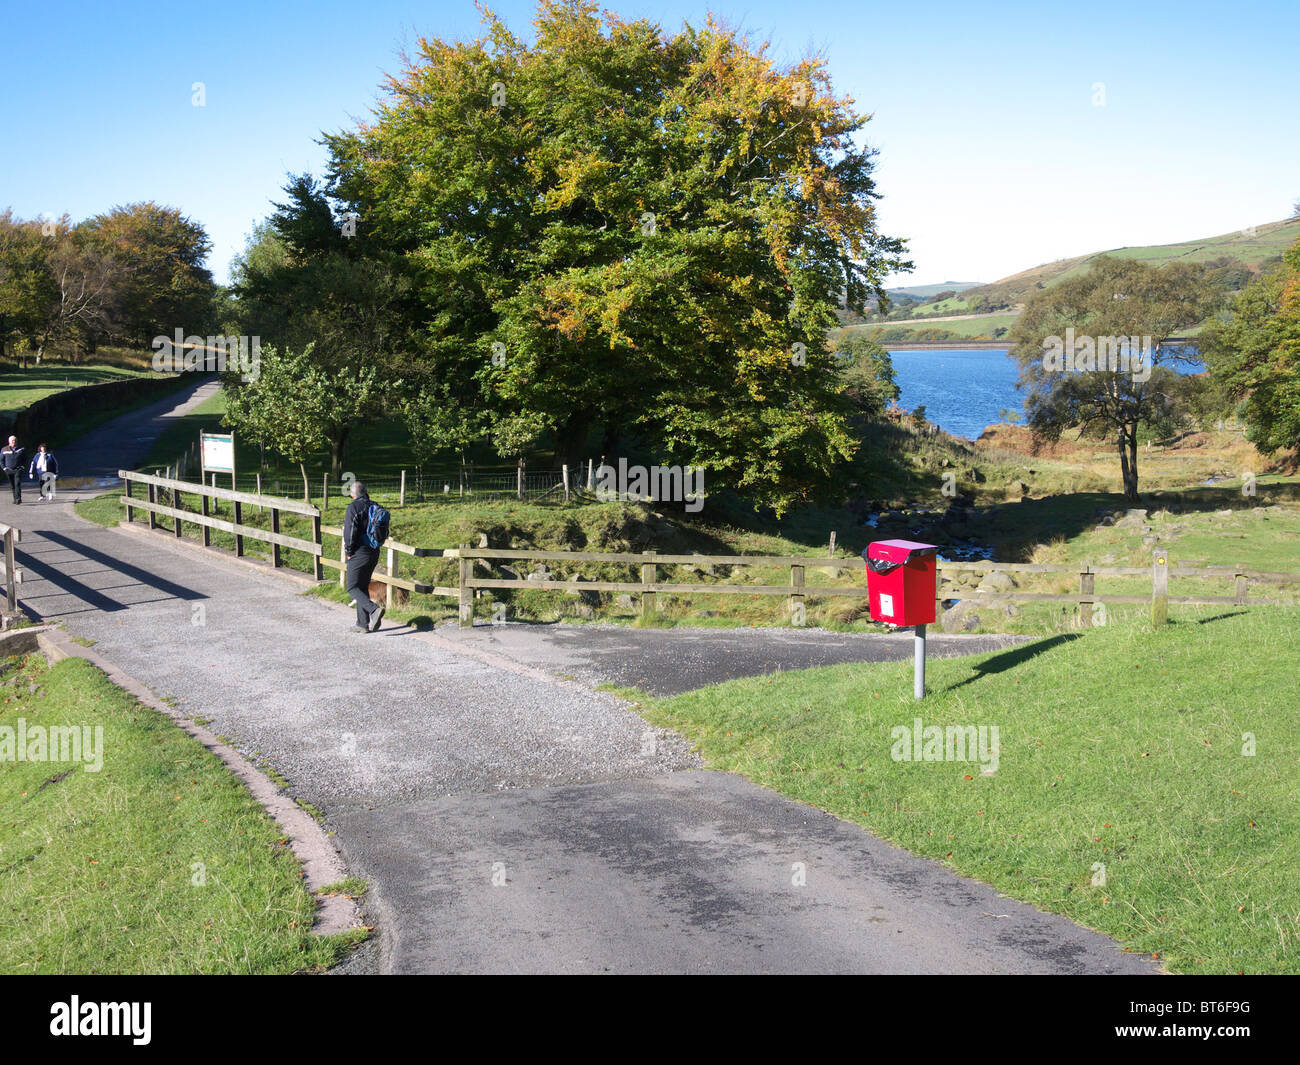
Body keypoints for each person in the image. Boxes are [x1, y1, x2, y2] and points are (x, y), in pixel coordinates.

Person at [343, 480, 385, 633]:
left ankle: (374, 610)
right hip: (374, 551)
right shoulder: (375, 505)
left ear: (352, 494)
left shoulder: (354, 507)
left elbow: (350, 533)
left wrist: (348, 552)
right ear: (365, 491)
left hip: (359, 552)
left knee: (352, 587)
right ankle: (362, 624)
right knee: (362, 586)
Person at [1, 436, 24, 504]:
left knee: (17, 483)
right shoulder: (4, 449)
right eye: (12, 441)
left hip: (18, 469)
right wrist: (4, 468)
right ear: (9, 442)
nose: (14, 442)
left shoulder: (21, 449)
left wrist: (22, 467)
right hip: (9, 470)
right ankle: (15, 499)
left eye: (15, 441)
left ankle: (18, 498)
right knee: (13, 485)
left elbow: (25, 459)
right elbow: (1, 460)